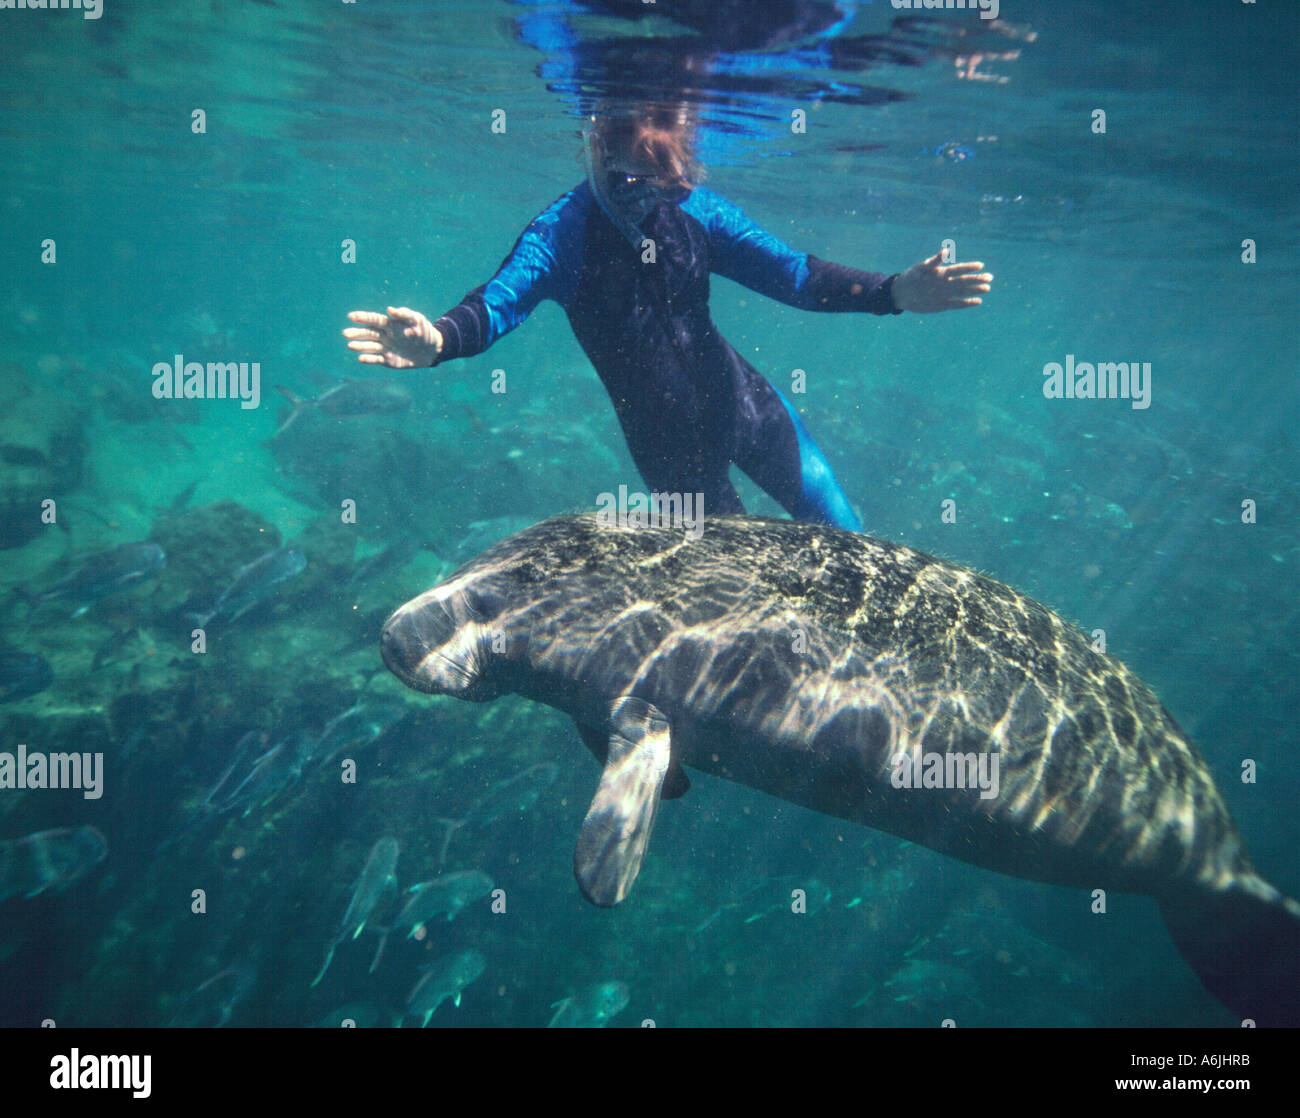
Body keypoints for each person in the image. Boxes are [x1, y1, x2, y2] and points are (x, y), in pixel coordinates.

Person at [343, 108, 991, 531]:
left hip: (747, 405)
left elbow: (794, 274)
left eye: (661, 186)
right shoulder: (562, 235)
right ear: (591, 147)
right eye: (625, 181)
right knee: (746, 598)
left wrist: (893, 291)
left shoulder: (697, 213)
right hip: (672, 456)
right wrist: (441, 340)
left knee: (847, 537)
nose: (642, 201)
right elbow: (495, 303)